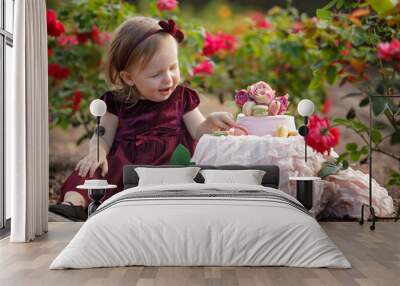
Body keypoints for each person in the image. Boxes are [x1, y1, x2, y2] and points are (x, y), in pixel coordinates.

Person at [49, 16, 238, 221]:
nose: (168, 79)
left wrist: (209, 123)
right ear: (129, 77)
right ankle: (73, 205)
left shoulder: (182, 97)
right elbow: (102, 136)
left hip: (170, 165)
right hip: (125, 166)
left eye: (173, 68)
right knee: (90, 168)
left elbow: (198, 130)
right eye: (156, 74)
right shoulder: (115, 102)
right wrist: (97, 152)